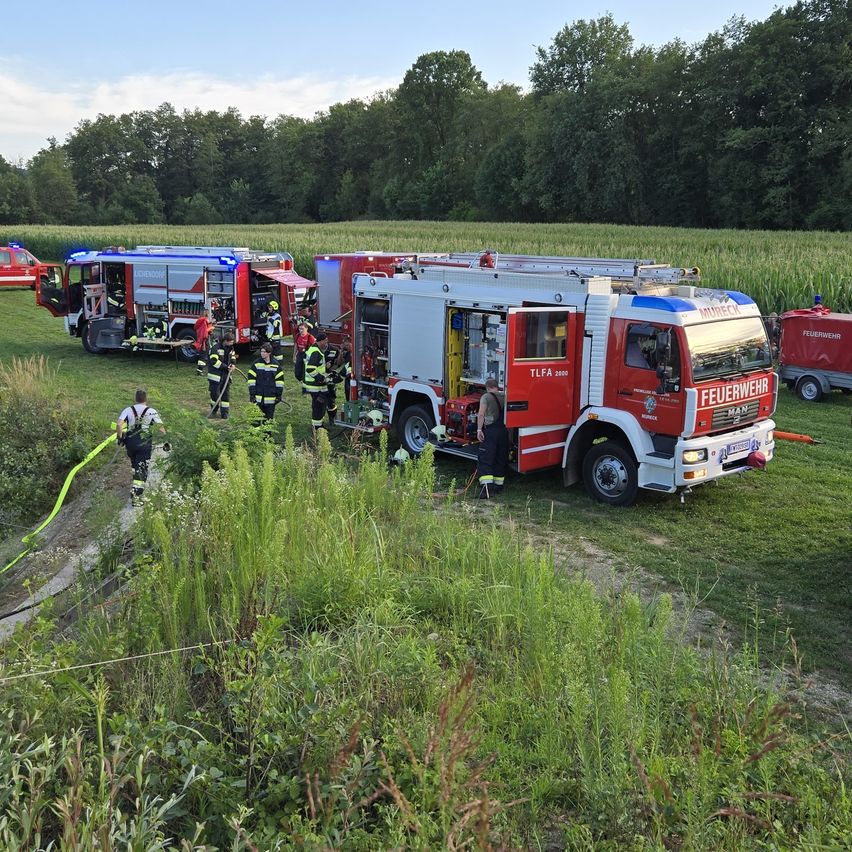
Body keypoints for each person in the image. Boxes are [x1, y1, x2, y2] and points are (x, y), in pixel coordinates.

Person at [116, 388, 165, 507]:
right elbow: (161, 428)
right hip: (144, 443)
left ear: (135, 398)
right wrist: (166, 440)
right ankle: (136, 496)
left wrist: (120, 437)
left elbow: (118, 424)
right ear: (146, 399)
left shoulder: (128, 410)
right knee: (142, 469)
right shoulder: (151, 411)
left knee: (135, 466)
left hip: (131, 442)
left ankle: (135, 486)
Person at [476, 378, 508, 498]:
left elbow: (481, 414)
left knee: (486, 459)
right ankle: (498, 486)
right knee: (500, 458)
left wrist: (479, 429)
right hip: (504, 431)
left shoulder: (486, 397)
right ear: (497, 386)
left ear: (487, 387)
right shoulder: (505, 396)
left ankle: (486, 490)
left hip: (491, 432)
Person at [303, 333, 338, 431]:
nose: (326, 343)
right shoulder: (316, 352)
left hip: (314, 384)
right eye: (325, 341)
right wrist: (321, 378)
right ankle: (317, 427)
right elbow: (310, 369)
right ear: (321, 341)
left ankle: (318, 425)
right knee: (319, 406)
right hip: (315, 386)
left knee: (318, 406)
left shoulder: (314, 349)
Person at [247, 342, 284, 421]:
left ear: (269, 353)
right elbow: (251, 380)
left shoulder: (276, 365)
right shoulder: (256, 364)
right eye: (261, 351)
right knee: (256, 421)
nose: (262, 353)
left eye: (264, 352)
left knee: (268, 421)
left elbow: (280, 382)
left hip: (271, 399)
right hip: (258, 398)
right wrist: (252, 394)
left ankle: (268, 434)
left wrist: (278, 395)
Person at [207, 331, 237, 418]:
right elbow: (214, 361)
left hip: (226, 376)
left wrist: (233, 364)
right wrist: (226, 367)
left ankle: (225, 413)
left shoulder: (231, 348)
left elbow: (233, 358)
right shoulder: (215, 348)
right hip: (215, 376)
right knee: (215, 394)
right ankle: (214, 410)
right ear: (226, 341)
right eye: (231, 341)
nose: (232, 343)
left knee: (225, 394)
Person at [194, 308, 217, 375]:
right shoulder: (204, 321)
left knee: (204, 355)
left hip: (202, 340)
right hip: (204, 341)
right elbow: (205, 331)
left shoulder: (200, 320)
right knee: (204, 356)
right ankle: (199, 371)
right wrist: (211, 328)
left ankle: (200, 370)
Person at [293, 321, 316, 385]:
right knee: (297, 373)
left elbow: (314, 348)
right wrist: (294, 355)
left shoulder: (310, 337)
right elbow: (295, 346)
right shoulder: (297, 336)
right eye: (299, 329)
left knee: (304, 372)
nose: (300, 330)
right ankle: (301, 380)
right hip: (300, 354)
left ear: (306, 329)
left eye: (302, 329)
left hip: (307, 355)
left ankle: (305, 386)